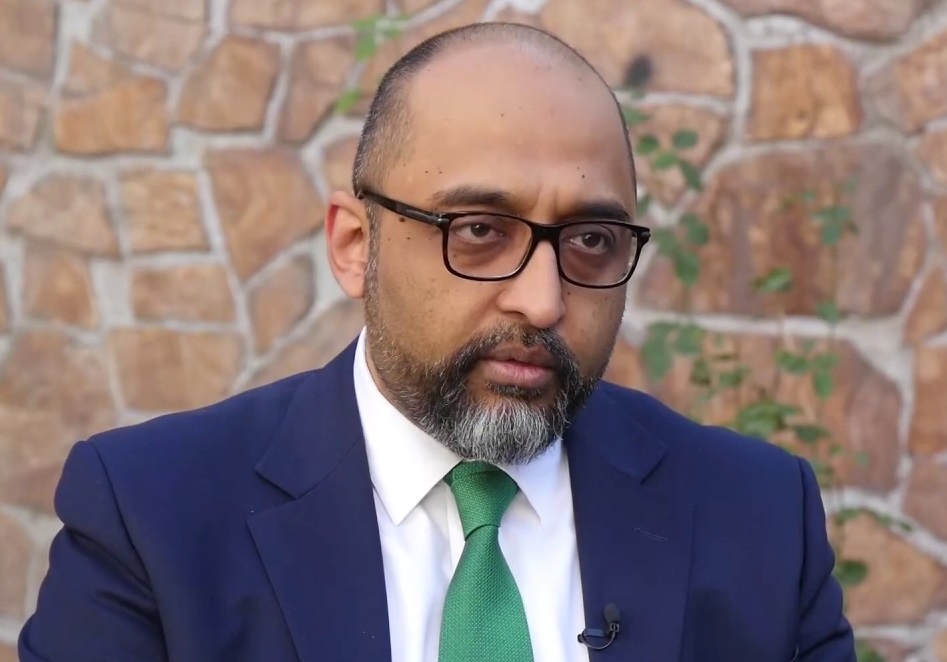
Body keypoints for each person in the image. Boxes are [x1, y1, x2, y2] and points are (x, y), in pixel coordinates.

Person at [19, 22, 856, 662]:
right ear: (355, 245)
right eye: (479, 230)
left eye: (591, 241)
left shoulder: (757, 517)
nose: (542, 300)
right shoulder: (152, 515)